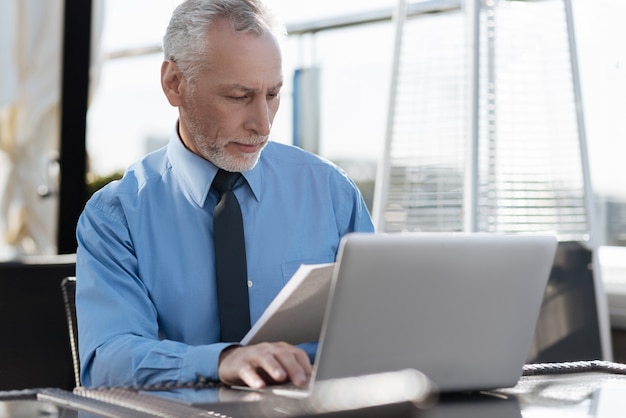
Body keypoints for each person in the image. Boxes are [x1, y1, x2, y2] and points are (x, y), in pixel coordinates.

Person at [75, 0, 374, 390]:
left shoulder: (330, 191)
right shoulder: (116, 215)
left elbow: (380, 325)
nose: (262, 125)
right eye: (238, 96)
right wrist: (223, 360)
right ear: (174, 84)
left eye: (272, 95)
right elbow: (107, 361)